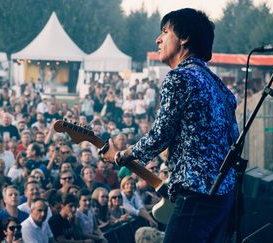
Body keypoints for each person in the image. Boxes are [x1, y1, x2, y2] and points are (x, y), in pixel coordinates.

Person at [100, 8, 238, 243]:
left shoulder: (179, 77)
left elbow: (160, 134)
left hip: (196, 194)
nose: (158, 39)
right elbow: (232, 137)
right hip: (224, 195)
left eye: (165, 32)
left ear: (184, 38)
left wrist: (121, 155)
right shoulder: (218, 85)